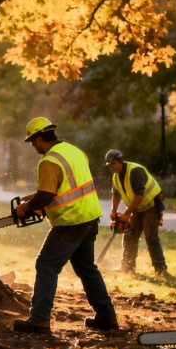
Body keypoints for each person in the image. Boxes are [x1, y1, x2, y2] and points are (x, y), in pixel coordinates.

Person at [12, 117, 119, 335]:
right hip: (89, 217)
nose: (33, 146)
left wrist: (26, 208)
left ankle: (39, 319)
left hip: (71, 221)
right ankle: (106, 316)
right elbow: (66, 185)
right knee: (87, 268)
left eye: (33, 141)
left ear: (41, 138)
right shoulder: (74, 151)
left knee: (46, 265)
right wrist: (38, 197)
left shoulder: (49, 161)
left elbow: (45, 197)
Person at [105, 149, 167, 276]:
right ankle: (127, 267)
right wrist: (114, 210)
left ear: (120, 161)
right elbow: (116, 195)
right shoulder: (116, 177)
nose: (111, 167)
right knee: (129, 236)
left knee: (151, 237)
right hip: (137, 208)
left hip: (151, 205)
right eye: (109, 165)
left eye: (113, 164)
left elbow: (139, 196)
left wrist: (127, 214)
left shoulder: (134, 171)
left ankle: (160, 269)